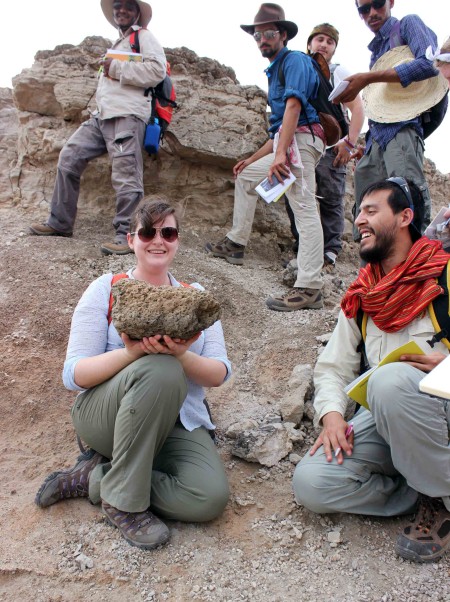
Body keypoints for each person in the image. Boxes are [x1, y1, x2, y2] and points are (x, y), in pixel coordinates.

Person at [34, 197, 231, 550]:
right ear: (131, 240)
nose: (158, 240)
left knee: (208, 497)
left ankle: (95, 477)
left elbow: (218, 372)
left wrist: (181, 355)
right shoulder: (106, 288)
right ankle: (125, 504)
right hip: (108, 415)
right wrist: (132, 353)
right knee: (160, 368)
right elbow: (73, 374)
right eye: (147, 231)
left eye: (168, 232)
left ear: (178, 240)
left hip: (177, 423)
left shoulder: (195, 297)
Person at [293, 177, 450, 563]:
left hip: (441, 413)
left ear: (404, 217)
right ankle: (421, 488)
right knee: (311, 483)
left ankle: (439, 501)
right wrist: (331, 417)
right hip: (388, 416)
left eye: (371, 210)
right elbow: (332, 367)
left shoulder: (444, 275)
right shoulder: (363, 294)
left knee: (389, 380)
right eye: (357, 211)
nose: (358, 219)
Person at [205, 3, 326, 312]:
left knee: (304, 208)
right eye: (257, 35)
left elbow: (294, 109)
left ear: (283, 35)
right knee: (246, 177)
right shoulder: (275, 69)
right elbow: (277, 129)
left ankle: (310, 286)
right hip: (289, 140)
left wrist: (281, 153)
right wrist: (254, 157)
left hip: (302, 139)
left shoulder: (295, 60)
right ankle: (236, 243)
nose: (262, 40)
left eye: (268, 33)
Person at [30, 0, 166, 256]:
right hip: (101, 116)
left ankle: (128, 236)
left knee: (126, 175)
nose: (121, 10)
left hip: (127, 116)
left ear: (137, 12)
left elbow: (157, 71)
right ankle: (59, 222)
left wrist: (115, 67)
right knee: (69, 157)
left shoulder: (144, 37)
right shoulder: (120, 42)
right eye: (117, 6)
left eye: (127, 6)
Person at [334, 0, 444, 240]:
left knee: (406, 209)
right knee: (367, 222)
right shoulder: (377, 50)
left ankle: (410, 275)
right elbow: (381, 108)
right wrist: (370, 147)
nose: (372, 13)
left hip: (403, 131)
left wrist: (368, 78)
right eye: (364, 9)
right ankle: (370, 277)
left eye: (377, 4)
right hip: (378, 140)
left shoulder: (408, 24)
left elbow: (429, 64)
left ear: (391, 2)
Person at [284, 23, 365, 271]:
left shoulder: (339, 73)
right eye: (319, 39)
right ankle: (305, 247)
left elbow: (358, 110)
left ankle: (329, 252)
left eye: (330, 42)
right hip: (301, 140)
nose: (324, 45)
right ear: (309, 43)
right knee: (296, 196)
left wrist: (348, 143)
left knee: (331, 197)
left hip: (332, 145)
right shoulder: (299, 67)